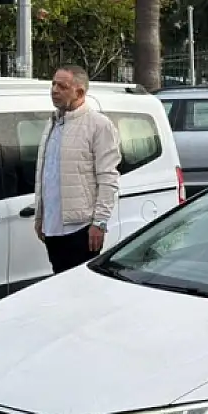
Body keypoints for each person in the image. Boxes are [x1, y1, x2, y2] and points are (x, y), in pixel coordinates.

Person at [35, 65, 122, 273]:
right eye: (53, 84)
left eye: (62, 86)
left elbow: (108, 177)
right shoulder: (53, 122)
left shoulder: (99, 125)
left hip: (80, 228)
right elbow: (47, 174)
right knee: (59, 284)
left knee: (82, 291)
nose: (54, 90)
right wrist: (40, 215)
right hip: (52, 227)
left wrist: (99, 222)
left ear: (80, 92)